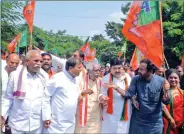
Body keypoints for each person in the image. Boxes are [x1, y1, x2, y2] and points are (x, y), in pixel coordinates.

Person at [100, 59, 170, 134]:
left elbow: (166, 101)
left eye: (141, 69)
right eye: (139, 68)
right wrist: (116, 87)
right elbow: (128, 94)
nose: (138, 71)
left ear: (150, 71)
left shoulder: (161, 81)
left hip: (154, 123)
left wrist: (166, 91)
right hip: (138, 122)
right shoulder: (136, 79)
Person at [1, 50, 49, 134]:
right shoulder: (15, 75)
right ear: (27, 61)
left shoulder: (44, 77)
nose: (39, 63)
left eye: (40, 61)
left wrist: (46, 117)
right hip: (17, 123)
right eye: (36, 60)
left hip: (36, 124)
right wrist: (2, 116)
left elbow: (46, 99)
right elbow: (8, 98)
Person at [42, 57, 92, 133]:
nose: (81, 70)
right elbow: (46, 96)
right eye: (79, 67)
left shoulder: (76, 80)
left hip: (70, 123)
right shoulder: (57, 78)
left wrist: (83, 93)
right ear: (71, 68)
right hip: (55, 123)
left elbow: (75, 98)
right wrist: (46, 116)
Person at [98, 58, 132, 133]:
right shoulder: (105, 79)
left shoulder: (128, 77)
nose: (117, 70)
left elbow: (130, 93)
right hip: (110, 115)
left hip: (125, 113)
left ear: (122, 68)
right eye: (114, 68)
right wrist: (102, 97)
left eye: (119, 68)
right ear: (110, 69)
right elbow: (101, 93)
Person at [75, 63, 102, 133]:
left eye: (99, 70)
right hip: (81, 116)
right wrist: (83, 93)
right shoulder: (80, 81)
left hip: (95, 117)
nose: (98, 72)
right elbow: (74, 98)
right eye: (95, 70)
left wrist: (103, 99)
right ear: (89, 70)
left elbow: (102, 96)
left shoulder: (101, 82)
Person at [163, 69, 184, 134]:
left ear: (179, 80)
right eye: (171, 77)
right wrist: (171, 119)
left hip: (180, 126)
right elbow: (162, 106)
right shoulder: (164, 92)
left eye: (175, 78)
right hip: (167, 124)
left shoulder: (182, 92)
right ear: (167, 79)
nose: (173, 80)